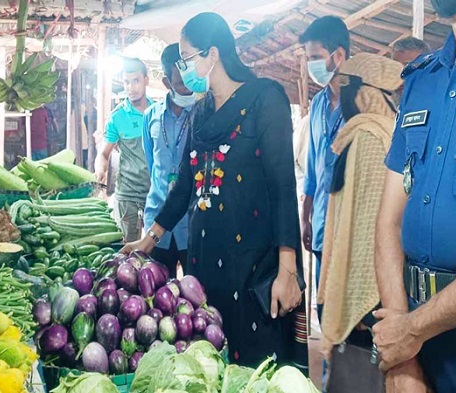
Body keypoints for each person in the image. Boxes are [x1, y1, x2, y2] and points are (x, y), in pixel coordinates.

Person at [123, 12, 305, 368]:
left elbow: (283, 186)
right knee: (210, 360)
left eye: (187, 58)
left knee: (255, 366)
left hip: (254, 263)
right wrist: (149, 239)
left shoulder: (265, 100)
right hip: (205, 264)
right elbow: (184, 187)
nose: (184, 69)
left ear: (213, 54)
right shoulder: (201, 112)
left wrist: (288, 270)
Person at [373, 1, 456, 392]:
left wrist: (411, 331)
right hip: (415, 344)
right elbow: (389, 221)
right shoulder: (422, 79)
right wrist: (403, 357)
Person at [316, 53, 403, 358]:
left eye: (346, 90)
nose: (342, 99)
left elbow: (367, 230)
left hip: (370, 295)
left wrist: (361, 304)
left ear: (362, 94)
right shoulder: (381, 132)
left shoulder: (369, 137)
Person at [299, 15, 350, 312]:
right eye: (308, 58)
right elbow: (312, 170)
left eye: (316, 57)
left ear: (338, 55)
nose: (311, 65)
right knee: (325, 309)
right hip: (320, 228)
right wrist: (306, 216)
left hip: (350, 233)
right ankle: (329, 361)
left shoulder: (364, 101)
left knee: (352, 316)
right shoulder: (317, 105)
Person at [142, 43, 195, 278]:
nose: (188, 88)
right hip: (157, 220)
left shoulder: (201, 114)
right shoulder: (150, 117)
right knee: (159, 294)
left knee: (197, 293)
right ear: (166, 83)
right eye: (181, 83)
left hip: (191, 224)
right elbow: (152, 165)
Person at [95, 58, 152, 242]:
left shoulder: (158, 112)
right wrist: (100, 171)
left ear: (146, 80)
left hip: (155, 194)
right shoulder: (117, 117)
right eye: (127, 82)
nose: (131, 88)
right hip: (127, 195)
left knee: (158, 254)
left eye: (136, 81)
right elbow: (104, 154)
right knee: (127, 252)